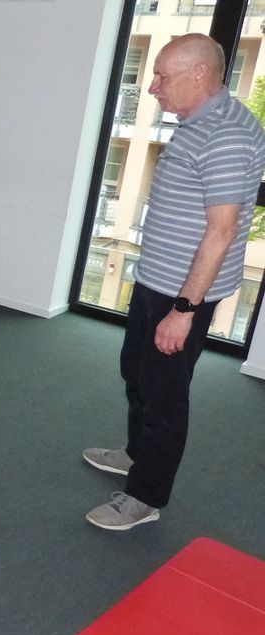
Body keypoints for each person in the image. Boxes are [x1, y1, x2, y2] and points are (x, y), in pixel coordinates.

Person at [83, 33, 265, 531]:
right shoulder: (196, 122)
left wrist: (184, 311)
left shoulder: (226, 135)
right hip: (157, 279)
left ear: (199, 74)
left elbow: (222, 231)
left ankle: (145, 496)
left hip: (182, 293)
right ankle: (136, 454)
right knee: (137, 374)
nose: (152, 87)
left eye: (162, 76)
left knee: (164, 395)